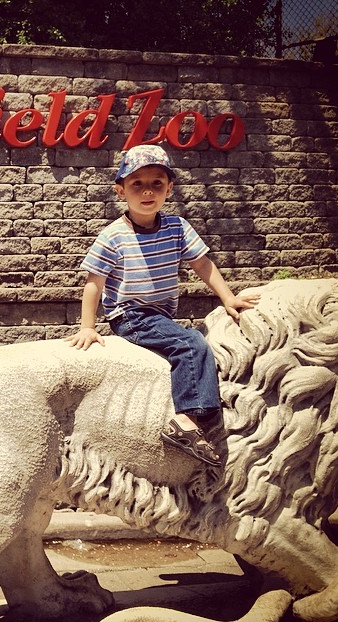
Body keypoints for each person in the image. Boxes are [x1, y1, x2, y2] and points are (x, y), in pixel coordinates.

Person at [66, 144, 260, 466]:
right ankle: (187, 420)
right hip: (130, 315)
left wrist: (228, 298)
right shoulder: (112, 236)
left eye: (157, 184)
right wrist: (88, 327)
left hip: (160, 315)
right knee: (190, 344)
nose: (147, 192)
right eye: (136, 184)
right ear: (120, 191)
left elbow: (202, 264)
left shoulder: (177, 228)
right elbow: (94, 284)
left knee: (189, 339)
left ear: (169, 189)